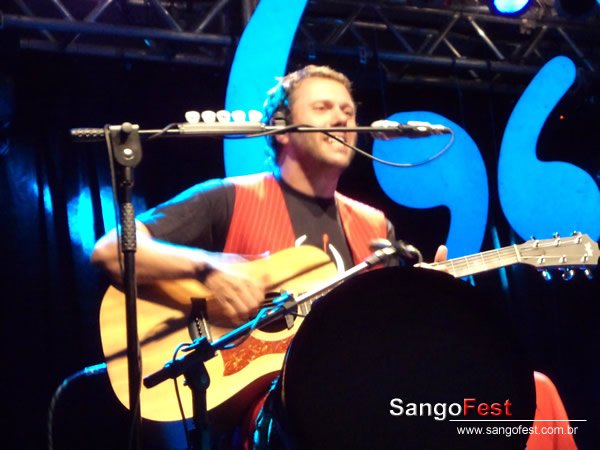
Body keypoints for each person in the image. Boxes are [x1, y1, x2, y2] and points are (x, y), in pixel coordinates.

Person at [91, 65, 576, 450]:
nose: (343, 118)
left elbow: (388, 340)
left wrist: (429, 299)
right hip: (269, 413)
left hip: (360, 393)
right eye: (323, 108)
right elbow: (111, 250)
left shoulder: (374, 226)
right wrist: (208, 268)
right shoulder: (229, 198)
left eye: (348, 109)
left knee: (528, 393)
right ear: (281, 129)